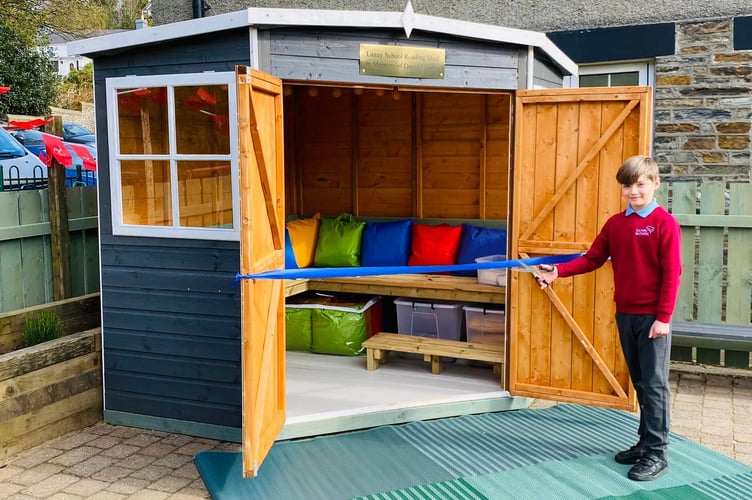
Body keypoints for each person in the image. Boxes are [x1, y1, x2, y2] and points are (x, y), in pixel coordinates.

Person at [536, 155, 682, 482]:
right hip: (625, 314)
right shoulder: (616, 224)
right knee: (642, 383)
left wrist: (664, 317)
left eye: (640, 184)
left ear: (655, 184)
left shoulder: (664, 224)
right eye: (627, 186)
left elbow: (673, 274)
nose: (633, 191)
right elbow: (592, 259)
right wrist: (558, 271)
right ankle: (646, 443)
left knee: (655, 386)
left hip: (653, 319)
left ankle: (658, 453)